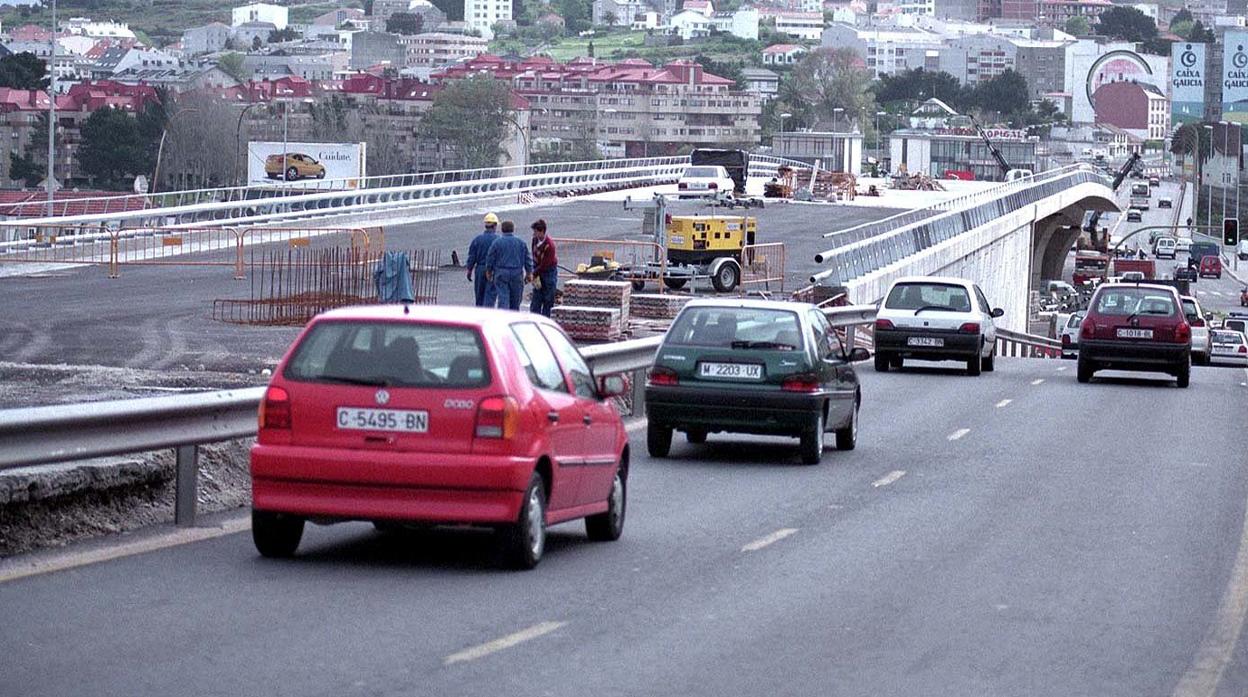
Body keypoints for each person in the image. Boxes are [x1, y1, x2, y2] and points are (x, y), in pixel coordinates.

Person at [484, 220, 531, 311]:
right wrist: (529, 272)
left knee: (503, 298)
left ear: (502, 229)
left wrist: (488, 271)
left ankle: (503, 317)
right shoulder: (521, 242)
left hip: (501, 273)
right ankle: (514, 317)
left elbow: (490, 257)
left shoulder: (497, 243)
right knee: (516, 299)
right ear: (513, 229)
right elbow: (527, 259)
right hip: (517, 273)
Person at [465, 212, 499, 307]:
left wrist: (469, 270)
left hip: (479, 270)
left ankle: (479, 315)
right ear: (495, 225)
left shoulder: (477, 240)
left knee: (479, 296)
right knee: (490, 296)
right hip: (493, 271)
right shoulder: (498, 240)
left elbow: (472, 257)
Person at [529, 219, 558, 316]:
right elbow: (534, 255)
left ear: (541, 231)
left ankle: (546, 319)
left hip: (548, 272)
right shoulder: (534, 240)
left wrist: (534, 273)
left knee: (548, 299)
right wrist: (534, 272)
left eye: (535, 231)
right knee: (536, 298)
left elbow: (545, 264)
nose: (534, 234)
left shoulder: (549, 245)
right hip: (538, 269)